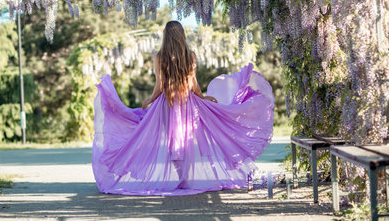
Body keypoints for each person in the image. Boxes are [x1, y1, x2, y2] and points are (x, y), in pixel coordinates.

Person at [92, 21, 274, 196]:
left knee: (173, 142)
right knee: (186, 140)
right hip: (188, 103)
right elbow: (192, 83)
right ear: (181, 36)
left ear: (166, 36)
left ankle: (182, 177)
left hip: (167, 104)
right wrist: (202, 98)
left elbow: (160, 85)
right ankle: (184, 178)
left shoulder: (159, 56)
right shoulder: (190, 55)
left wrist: (151, 99)